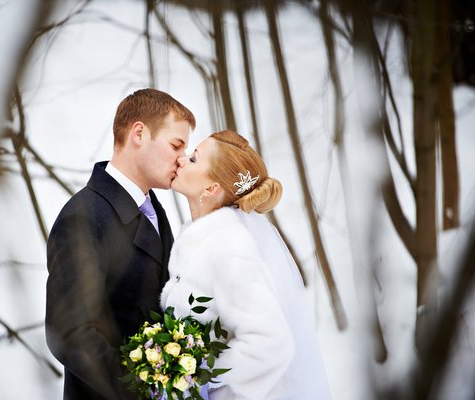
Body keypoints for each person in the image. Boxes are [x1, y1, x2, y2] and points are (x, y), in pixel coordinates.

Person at [45, 88, 196, 400]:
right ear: (139, 133)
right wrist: (143, 388)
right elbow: (70, 333)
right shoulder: (83, 217)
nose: (182, 160)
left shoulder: (153, 209)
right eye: (176, 145)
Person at [160, 130, 331, 399]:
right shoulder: (200, 240)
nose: (181, 159)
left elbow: (270, 343)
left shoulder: (227, 247)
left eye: (193, 159)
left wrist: (200, 374)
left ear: (212, 188)